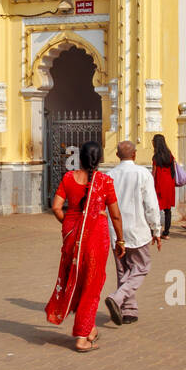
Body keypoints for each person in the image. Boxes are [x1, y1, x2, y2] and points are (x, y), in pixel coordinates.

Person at [47, 141, 125, 353]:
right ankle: (82, 338)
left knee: (78, 279)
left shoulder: (68, 178)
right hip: (96, 238)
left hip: (72, 236)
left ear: (79, 158)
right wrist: (120, 240)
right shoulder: (105, 182)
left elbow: (55, 207)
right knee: (92, 284)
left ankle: (89, 329)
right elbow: (115, 215)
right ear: (99, 159)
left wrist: (70, 225)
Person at [104, 141, 162, 327]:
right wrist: (156, 229)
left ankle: (128, 310)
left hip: (116, 230)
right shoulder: (143, 174)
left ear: (117, 155)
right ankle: (118, 297)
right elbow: (151, 205)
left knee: (123, 271)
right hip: (137, 229)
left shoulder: (109, 175)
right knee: (141, 267)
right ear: (135, 155)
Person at [148, 134, 177, 237]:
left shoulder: (156, 157)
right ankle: (166, 232)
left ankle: (154, 231)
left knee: (155, 208)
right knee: (168, 210)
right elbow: (173, 170)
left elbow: (154, 172)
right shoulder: (170, 155)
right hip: (169, 184)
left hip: (159, 184)